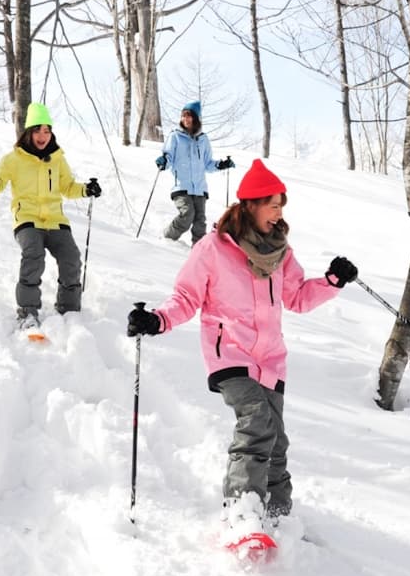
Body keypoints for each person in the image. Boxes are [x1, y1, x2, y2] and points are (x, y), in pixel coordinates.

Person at [126, 158, 357, 540]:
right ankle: (243, 511)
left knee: (276, 440)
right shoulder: (214, 248)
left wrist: (332, 281)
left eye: (282, 205)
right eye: (273, 204)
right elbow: (186, 296)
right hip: (229, 353)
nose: (279, 213)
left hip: (270, 360)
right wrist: (158, 319)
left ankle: (280, 517)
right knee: (256, 424)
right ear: (250, 204)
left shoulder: (281, 251)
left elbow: (297, 297)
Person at [0, 102, 101, 327]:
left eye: (47, 130)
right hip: (27, 219)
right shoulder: (13, 159)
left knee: (71, 259)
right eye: (37, 130)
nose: (43, 135)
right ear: (28, 132)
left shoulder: (57, 159)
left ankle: (69, 310)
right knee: (34, 255)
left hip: (56, 221)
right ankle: (27, 312)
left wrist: (86, 189)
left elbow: (67, 187)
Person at [155, 101, 234, 244]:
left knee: (200, 222)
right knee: (187, 215)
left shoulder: (203, 139)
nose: (185, 119)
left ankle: (198, 250)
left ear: (196, 118)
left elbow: (208, 164)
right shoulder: (175, 137)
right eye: (183, 116)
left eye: (189, 116)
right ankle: (166, 238)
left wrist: (222, 164)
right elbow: (169, 157)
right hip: (182, 186)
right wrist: (164, 161)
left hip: (200, 188)